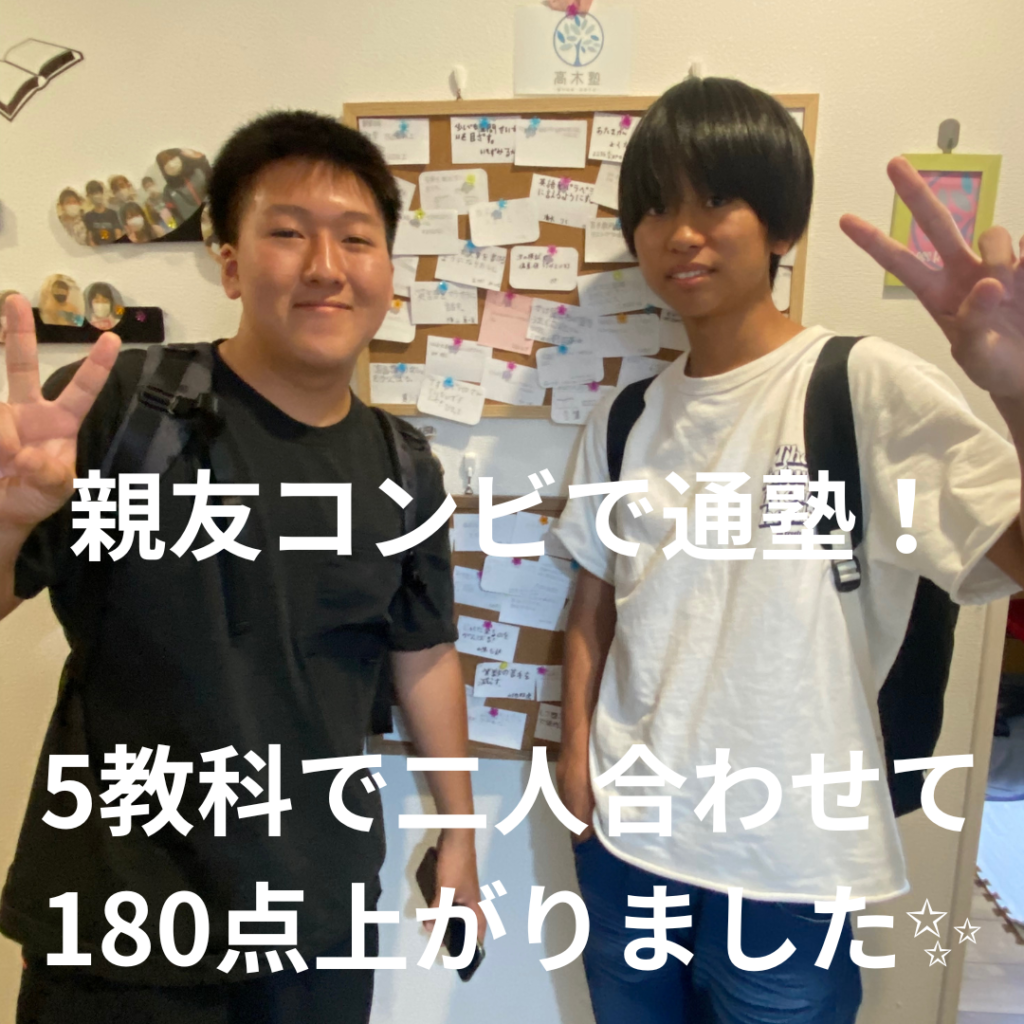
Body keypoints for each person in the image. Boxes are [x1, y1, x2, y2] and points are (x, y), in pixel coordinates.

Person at [553, 75, 1024, 1024]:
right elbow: (597, 597)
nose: (682, 233)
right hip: (626, 840)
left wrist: (1017, 390)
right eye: (657, 207)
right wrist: (575, 757)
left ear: (780, 224)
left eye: (716, 199)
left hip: (787, 863)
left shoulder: (862, 384)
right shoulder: (626, 416)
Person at [0, 110, 483, 1024]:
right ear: (228, 263)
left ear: (388, 270)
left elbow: (423, 654)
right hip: (118, 925)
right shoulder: (126, 409)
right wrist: (9, 517)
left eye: (356, 239)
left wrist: (458, 832)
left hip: (313, 922)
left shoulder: (404, 467)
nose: (326, 266)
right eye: (288, 233)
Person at [157, 147, 212, 224]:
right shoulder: (168, 191)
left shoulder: (198, 171)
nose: (170, 164)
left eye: (172, 158)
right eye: (165, 163)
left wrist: (200, 158)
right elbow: (175, 216)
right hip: (197, 226)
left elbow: (216, 181)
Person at [82, 180, 123, 245]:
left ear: (102, 193)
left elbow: (118, 234)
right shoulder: (88, 216)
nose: (96, 196)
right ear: (89, 196)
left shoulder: (112, 214)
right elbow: (90, 238)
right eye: (93, 193)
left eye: (97, 192)